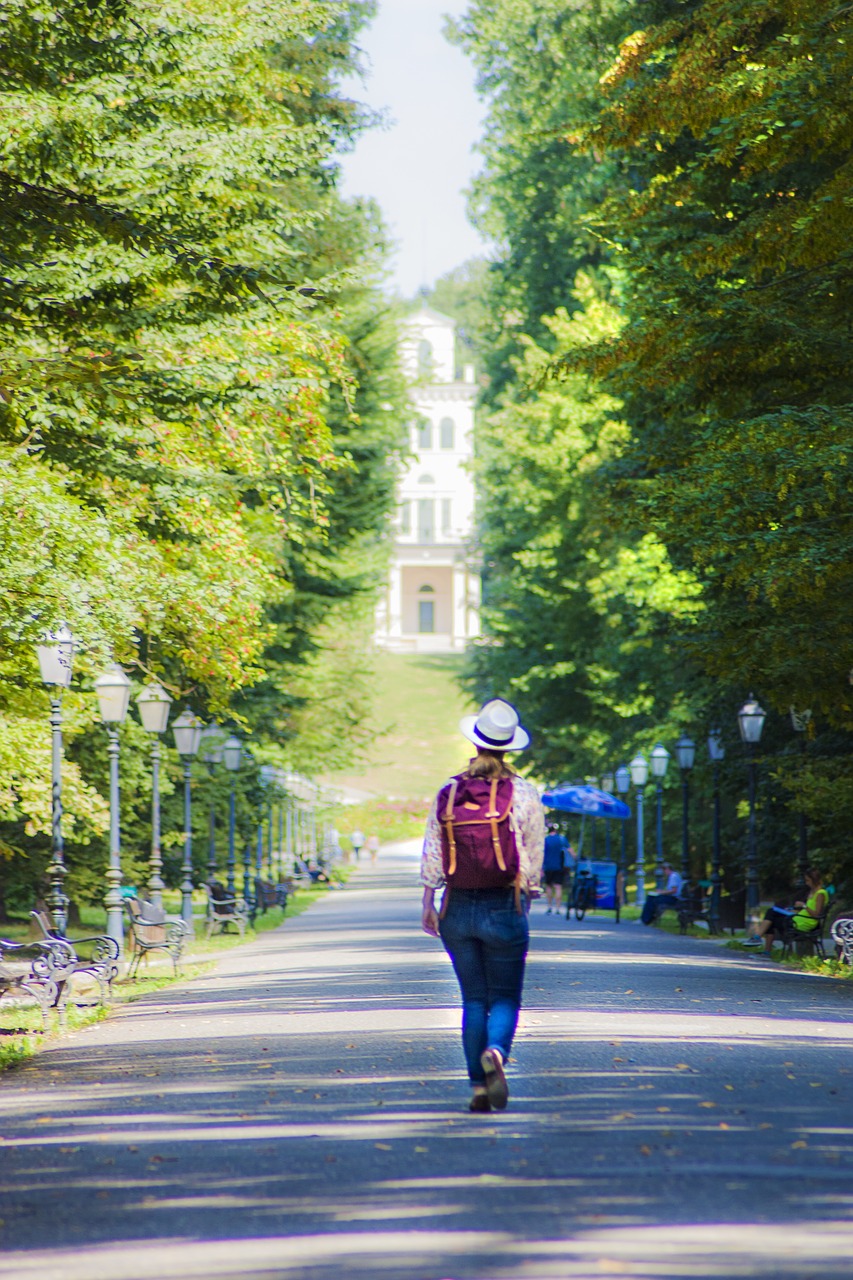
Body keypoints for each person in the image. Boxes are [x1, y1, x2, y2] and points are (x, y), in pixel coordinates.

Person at [421, 698, 545, 1114]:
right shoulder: (524, 793)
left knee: (473, 998)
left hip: (456, 906)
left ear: (474, 742)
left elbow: (433, 852)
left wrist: (428, 900)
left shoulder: (449, 790)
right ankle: (496, 1050)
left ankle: (477, 1088)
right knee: (505, 997)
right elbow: (532, 855)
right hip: (503, 904)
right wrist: (529, 890)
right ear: (509, 746)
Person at [743, 866, 828, 954]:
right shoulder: (812, 892)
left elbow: (817, 914)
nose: (806, 883)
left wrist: (804, 906)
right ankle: (759, 942)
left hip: (804, 924)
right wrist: (794, 910)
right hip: (798, 919)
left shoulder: (820, 894)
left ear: (814, 880)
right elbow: (806, 910)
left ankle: (760, 942)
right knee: (771, 913)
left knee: (771, 917)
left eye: (808, 880)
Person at [641, 861, 684, 926]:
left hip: (674, 899)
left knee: (652, 899)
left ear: (667, 869)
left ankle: (646, 919)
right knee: (651, 897)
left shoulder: (673, 877)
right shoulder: (674, 875)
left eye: (664, 871)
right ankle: (647, 918)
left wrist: (662, 892)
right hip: (674, 897)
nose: (664, 873)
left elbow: (674, 890)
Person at [542, 823, 569, 914]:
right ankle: (558, 908)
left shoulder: (545, 840)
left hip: (548, 866)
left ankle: (549, 907)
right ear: (556, 831)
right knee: (558, 887)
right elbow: (570, 851)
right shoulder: (561, 839)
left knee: (548, 887)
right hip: (559, 866)